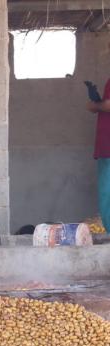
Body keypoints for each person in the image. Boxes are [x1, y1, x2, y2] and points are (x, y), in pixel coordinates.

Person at [87, 78, 110, 233]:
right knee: (106, 193)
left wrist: (96, 105)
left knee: (107, 194)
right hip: (105, 149)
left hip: (107, 149)